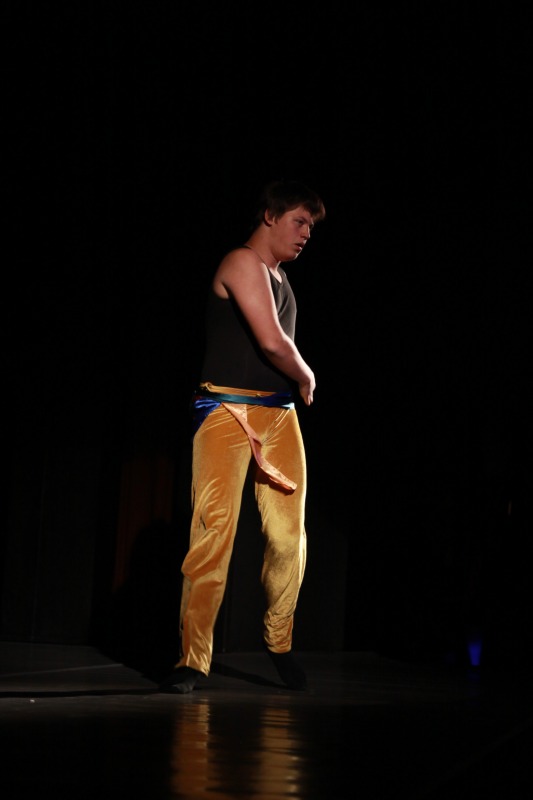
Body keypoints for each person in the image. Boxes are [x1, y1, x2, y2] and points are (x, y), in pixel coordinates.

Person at [161, 179, 326, 693]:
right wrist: (307, 375)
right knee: (214, 531)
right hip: (225, 411)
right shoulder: (241, 262)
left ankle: (279, 641)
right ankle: (193, 658)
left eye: (311, 226)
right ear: (270, 216)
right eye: (300, 221)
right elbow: (273, 342)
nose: (306, 233)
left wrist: (293, 386)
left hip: (278, 417)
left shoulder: (282, 279)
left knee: (288, 537)